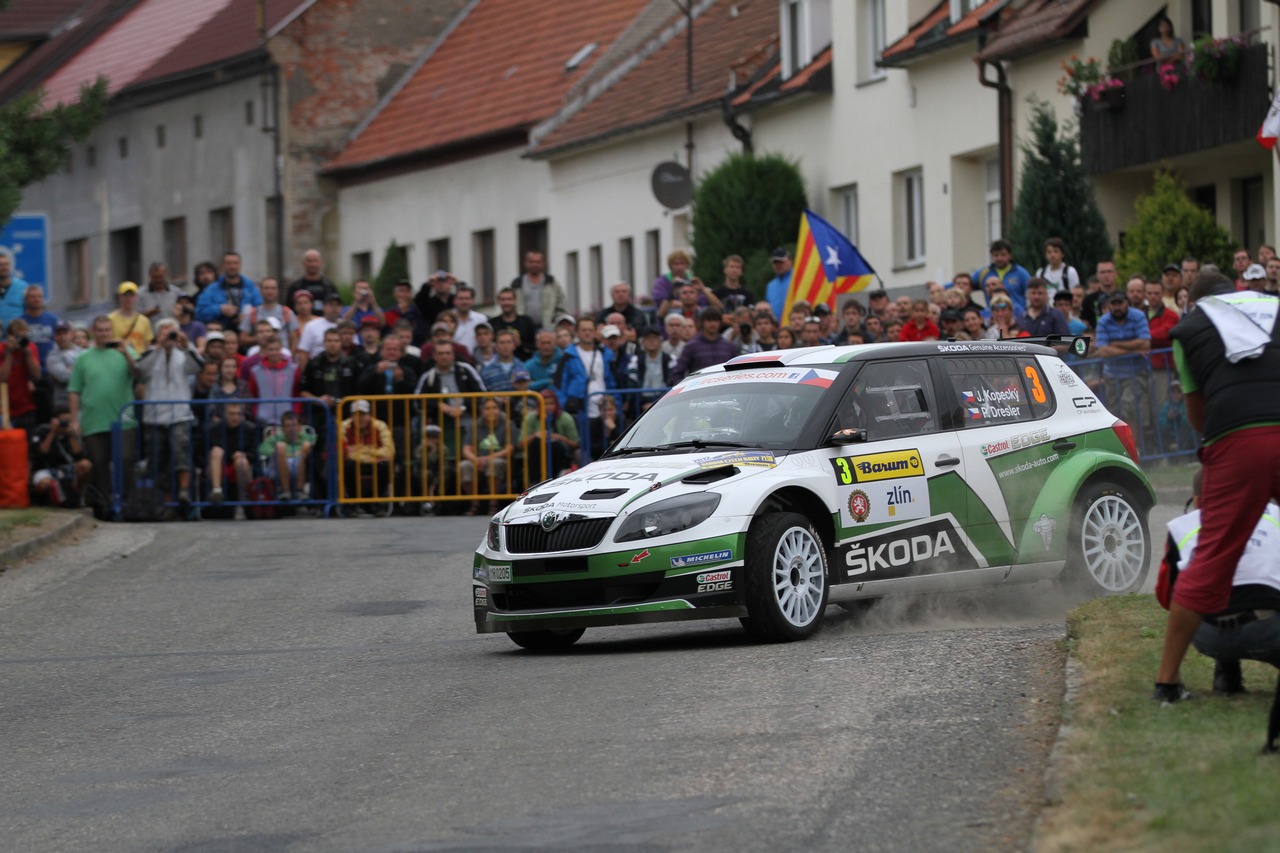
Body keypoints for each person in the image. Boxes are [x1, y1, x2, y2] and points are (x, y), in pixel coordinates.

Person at [1155, 272, 1280, 700]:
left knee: (1211, 557)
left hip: (1237, 439)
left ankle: (1167, 682)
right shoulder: (1273, 306)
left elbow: (1198, 417)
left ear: (1198, 302)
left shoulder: (1189, 329)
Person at [1156, 471, 1280, 700]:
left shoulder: (1182, 527)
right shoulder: (1274, 516)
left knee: (1211, 595)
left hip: (1207, 635)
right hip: (1268, 632)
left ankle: (1225, 671)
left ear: (1197, 500)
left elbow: (1166, 598)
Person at [68, 315, 139, 514]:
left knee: (125, 459)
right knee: (98, 462)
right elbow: (74, 390)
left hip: (122, 418)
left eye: (107, 330)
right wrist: (75, 420)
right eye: (99, 330)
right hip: (93, 419)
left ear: (112, 331)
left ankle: (125, 502)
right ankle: (104, 504)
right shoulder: (83, 357)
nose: (104, 334)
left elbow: (139, 374)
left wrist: (126, 354)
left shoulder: (124, 351)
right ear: (93, 331)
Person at [135, 318, 202, 509]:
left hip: (179, 414)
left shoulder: (184, 354)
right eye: (165, 332)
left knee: (181, 452)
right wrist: (158, 347)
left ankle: (183, 491)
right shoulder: (150, 354)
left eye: (172, 332)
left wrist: (187, 345)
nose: (170, 336)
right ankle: (160, 497)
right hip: (154, 416)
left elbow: (197, 367)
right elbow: (141, 370)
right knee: (157, 458)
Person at [1094, 292, 1152, 439]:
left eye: (1120, 303)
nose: (1117, 307)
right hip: (1112, 374)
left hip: (1136, 372)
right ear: (1108, 305)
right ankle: (1122, 450)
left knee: (1129, 407)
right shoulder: (1103, 321)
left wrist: (1117, 345)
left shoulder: (1138, 316)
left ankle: (1135, 449)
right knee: (1114, 413)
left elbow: (1145, 343)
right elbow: (1103, 351)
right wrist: (1133, 349)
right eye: (1114, 304)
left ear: (1126, 303)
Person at [28, 407, 91, 507]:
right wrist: (52, 432)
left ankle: (78, 497)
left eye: (68, 421)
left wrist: (71, 435)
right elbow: (41, 454)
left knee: (85, 464)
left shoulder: (70, 434)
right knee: (44, 484)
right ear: (53, 420)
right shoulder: (42, 431)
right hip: (46, 469)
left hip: (65, 469)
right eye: (62, 420)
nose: (64, 423)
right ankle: (43, 501)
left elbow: (79, 455)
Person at [462, 397, 515, 514]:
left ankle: (493, 504)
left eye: (494, 408)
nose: (491, 411)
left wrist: (488, 458)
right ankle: (475, 504)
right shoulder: (475, 425)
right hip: (478, 460)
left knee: (494, 464)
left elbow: (509, 448)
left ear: (500, 410)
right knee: (464, 465)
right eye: (487, 408)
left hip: (500, 460)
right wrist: (475, 460)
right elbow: (466, 449)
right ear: (482, 411)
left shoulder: (508, 424)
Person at [340, 398, 394, 509]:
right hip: (355, 463)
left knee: (386, 466)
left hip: (376, 463)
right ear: (351, 416)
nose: (360, 418)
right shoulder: (344, 426)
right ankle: (354, 500)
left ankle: (374, 499)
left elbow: (389, 451)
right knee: (346, 465)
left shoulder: (380, 426)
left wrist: (360, 450)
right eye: (356, 415)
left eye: (363, 414)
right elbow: (343, 451)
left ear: (369, 415)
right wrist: (374, 452)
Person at [520, 387, 579, 478]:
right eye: (544, 404)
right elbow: (521, 443)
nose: (548, 407)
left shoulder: (566, 417)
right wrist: (535, 435)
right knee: (536, 443)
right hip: (536, 453)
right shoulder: (531, 418)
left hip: (560, 453)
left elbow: (576, 444)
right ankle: (535, 480)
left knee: (556, 446)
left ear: (556, 404)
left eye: (551, 404)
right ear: (539, 405)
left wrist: (560, 438)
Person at [206, 401, 257, 506]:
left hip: (240, 465)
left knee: (241, 461)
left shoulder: (249, 429)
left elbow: (255, 453)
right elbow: (203, 452)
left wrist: (244, 455)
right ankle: (216, 490)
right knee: (216, 451)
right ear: (225, 414)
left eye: (238, 414)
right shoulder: (214, 429)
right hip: (217, 465)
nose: (235, 417)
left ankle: (243, 497)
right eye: (232, 414)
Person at [195, 251, 261, 329]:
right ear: (223, 266)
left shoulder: (251, 288)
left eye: (235, 263)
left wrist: (248, 317)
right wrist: (220, 309)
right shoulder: (211, 289)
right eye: (229, 263)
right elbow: (199, 313)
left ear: (240, 265)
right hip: (220, 334)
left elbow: (261, 310)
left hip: (246, 334)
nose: (232, 266)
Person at [259, 410, 314, 502]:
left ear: (299, 427)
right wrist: (285, 455)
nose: (291, 429)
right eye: (288, 426)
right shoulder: (275, 438)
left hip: (301, 468)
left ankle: (300, 491)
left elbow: (317, 448)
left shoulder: (307, 437)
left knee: (306, 445)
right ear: (283, 428)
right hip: (277, 470)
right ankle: (285, 491)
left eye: (294, 425)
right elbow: (262, 450)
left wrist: (300, 453)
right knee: (280, 446)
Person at [245, 338, 301, 426]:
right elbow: (253, 393)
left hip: (287, 420)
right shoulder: (256, 371)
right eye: (271, 350)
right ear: (265, 351)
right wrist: (257, 412)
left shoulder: (293, 369)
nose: (274, 353)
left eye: (276, 349)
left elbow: (296, 392)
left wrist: (295, 411)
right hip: (263, 419)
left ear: (281, 350)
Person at [1, 318, 42, 435]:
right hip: (5, 409)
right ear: (9, 336)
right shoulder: (2, 349)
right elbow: (2, 379)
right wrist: (9, 354)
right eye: (18, 337)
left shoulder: (30, 348)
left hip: (26, 406)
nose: (21, 341)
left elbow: (37, 376)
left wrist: (28, 354)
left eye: (24, 337)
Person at [672, 308, 737, 381]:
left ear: (720, 323)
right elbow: (677, 373)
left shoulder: (729, 347)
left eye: (715, 320)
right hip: (699, 389)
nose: (713, 324)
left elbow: (736, 372)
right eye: (709, 320)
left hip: (724, 389)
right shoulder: (691, 346)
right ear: (702, 322)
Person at [509, 251, 568, 331]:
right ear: (526, 263)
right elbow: (510, 305)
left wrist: (555, 322)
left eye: (538, 262)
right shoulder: (517, 284)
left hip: (548, 329)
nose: (535, 264)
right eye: (531, 262)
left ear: (543, 263)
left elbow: (561, 304)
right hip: (523, 329)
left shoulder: (551, 282)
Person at [972, 239, 1032, 314]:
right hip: (993, 318)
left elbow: (1031, 295)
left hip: (1017, 316)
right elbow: (961, 284)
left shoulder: (1021, 273)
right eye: (996, 255)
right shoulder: (983, 273)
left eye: (1003, 255)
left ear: (1010, 255)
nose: (999, 258)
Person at [241, 277, 297, 349]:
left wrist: (290, 357)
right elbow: (243, 339)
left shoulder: (287, 312)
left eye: (273, 288)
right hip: (260, 356)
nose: (270, 291)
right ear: (260, 291)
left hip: (283, 356)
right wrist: (259, 338)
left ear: (277, 291)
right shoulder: (253, 313)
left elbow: (295, 338)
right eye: (266, 288)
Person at [489, 286, 538, 358]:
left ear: (515, 301)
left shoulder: (526, 322)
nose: (506, 302)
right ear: (498, 302)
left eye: (509, 299)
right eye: (503, 299)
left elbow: (535, 347)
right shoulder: (492, 323)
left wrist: (520, 344)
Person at [44, 320, 82, 409]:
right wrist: (81, 369)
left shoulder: (82, 351)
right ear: (55, 337)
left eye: (65, 333)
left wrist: (73, 369)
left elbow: (91, 372)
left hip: (83, 401)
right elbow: (64, 377)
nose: (62, 337)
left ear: (72, 334)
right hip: (64, 404)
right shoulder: (52, 357)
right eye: (59, 334)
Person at [109, 281, 154, 354]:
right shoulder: (110, 319)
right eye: (125, 295)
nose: (128, 299)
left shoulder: (144, 320)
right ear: (119, 297)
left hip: (139, 359)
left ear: (136, 297)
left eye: (131, 295)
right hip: (118, 359)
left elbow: (147, 345)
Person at [19, 285, 59, 365]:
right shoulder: (19, 322)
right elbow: (12, 342)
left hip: (51, 368)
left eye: (40, 296)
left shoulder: (53, 319)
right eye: (33, 297)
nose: (37, 299)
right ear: (25, 300)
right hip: (28, 368)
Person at [0, 247, 30, 327]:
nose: (4, 267)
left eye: (6, 264)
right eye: (1, 265)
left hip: (16, 336)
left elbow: (29, 311)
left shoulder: (22, 286)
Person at [764, 248, 794, 321]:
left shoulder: (798, 278)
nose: (778, 265)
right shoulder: (770, 286)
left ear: (790, 261)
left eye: (781, 262)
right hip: (776, 329)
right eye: (775, 263)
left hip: (796, 326)